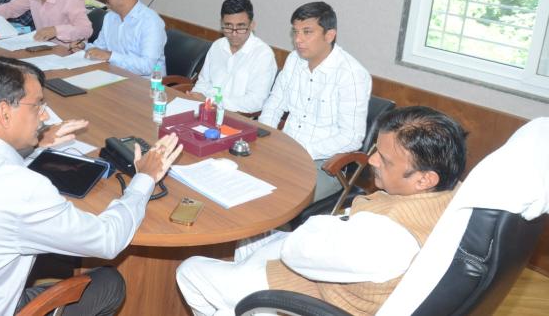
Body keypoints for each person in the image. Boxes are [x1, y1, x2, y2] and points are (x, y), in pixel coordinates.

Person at [0, 56, 183, 315]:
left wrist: (35, 145)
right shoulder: (22, 189)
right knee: (109, 282)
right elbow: (107, 240)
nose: (44, 116)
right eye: (38, 106)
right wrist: (145, 178)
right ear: (4, 113)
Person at [177, 106, 467, 316]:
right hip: (332, 263)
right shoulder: (453, 193)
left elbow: (295, 251)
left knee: (190, 270)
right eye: (376, 150)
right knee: (250, 237)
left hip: (314, 293)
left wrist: (326, 226)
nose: (372, 160)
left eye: (385, 159)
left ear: (424, 179)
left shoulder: (387, 241)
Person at [258, 1, 371, 201]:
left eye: (307, 32)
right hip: (283, 150)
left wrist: (301, 152)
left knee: (274, 198)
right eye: (295, 32)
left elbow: (351, 137)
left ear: (329, 35)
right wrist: (267, 139)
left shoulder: (352, 75)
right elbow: (274, 104)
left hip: (323, 165)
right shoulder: (294, 60)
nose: (298, 40)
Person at [190, 0, 277, 113]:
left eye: (240, 27)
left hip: (237, 116)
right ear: (221, 23)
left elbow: (255, 102)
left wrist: (211, 102)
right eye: (228, 26)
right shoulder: (217, 46)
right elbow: (203, 82)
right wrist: (195, 96)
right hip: (205, 110)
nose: (234, 34)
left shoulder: (263, 55)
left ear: (252, 25)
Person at [74, 0, 166, 77]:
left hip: (145, 83)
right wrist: (84, 47)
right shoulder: (110, 17)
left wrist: (110, 56)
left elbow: (147, 67)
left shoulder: (151, 22)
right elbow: (99, 48)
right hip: (114, 76)